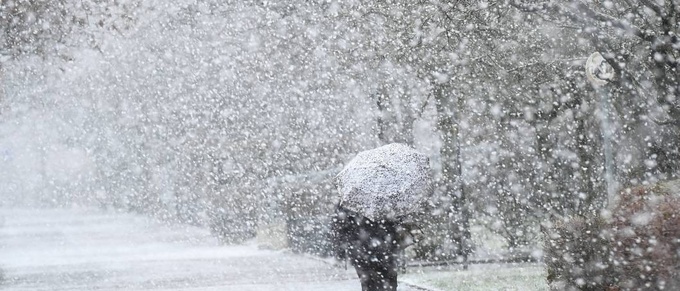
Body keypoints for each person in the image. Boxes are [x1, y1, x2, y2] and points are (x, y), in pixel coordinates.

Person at [331, 204, 414, 291]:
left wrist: (341, 252)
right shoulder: (388, 203)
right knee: (384, 281)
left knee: (371, 283)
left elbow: (340, 230)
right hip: (378, 250)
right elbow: (341, 229)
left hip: (366, 251)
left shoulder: (351, 203)